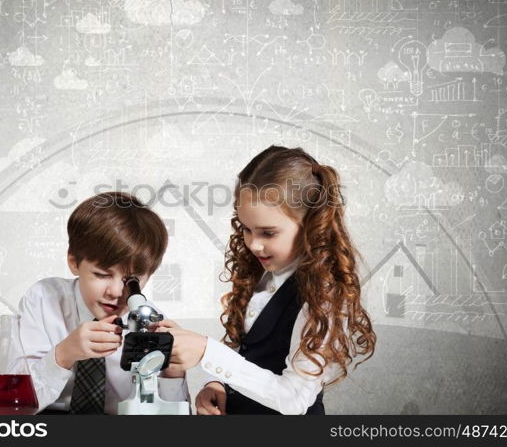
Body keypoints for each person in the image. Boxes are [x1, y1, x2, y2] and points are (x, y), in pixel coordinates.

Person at [155, 146, 376, 415]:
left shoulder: (323, 297)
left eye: (268, 233)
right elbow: (246, 354)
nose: (254, 245)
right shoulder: (262, 274)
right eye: (246, 229)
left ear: (311, 225)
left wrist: (207, 352)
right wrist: (219, 384)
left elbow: (294, 399)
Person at [17, 191, 189, 414]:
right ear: (73, 261)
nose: (116, 292)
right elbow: (14, 405)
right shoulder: (43, 300)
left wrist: (173, 375)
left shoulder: (151, 321)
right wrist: (63, 354)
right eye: (102, 275)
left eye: (131, 280)